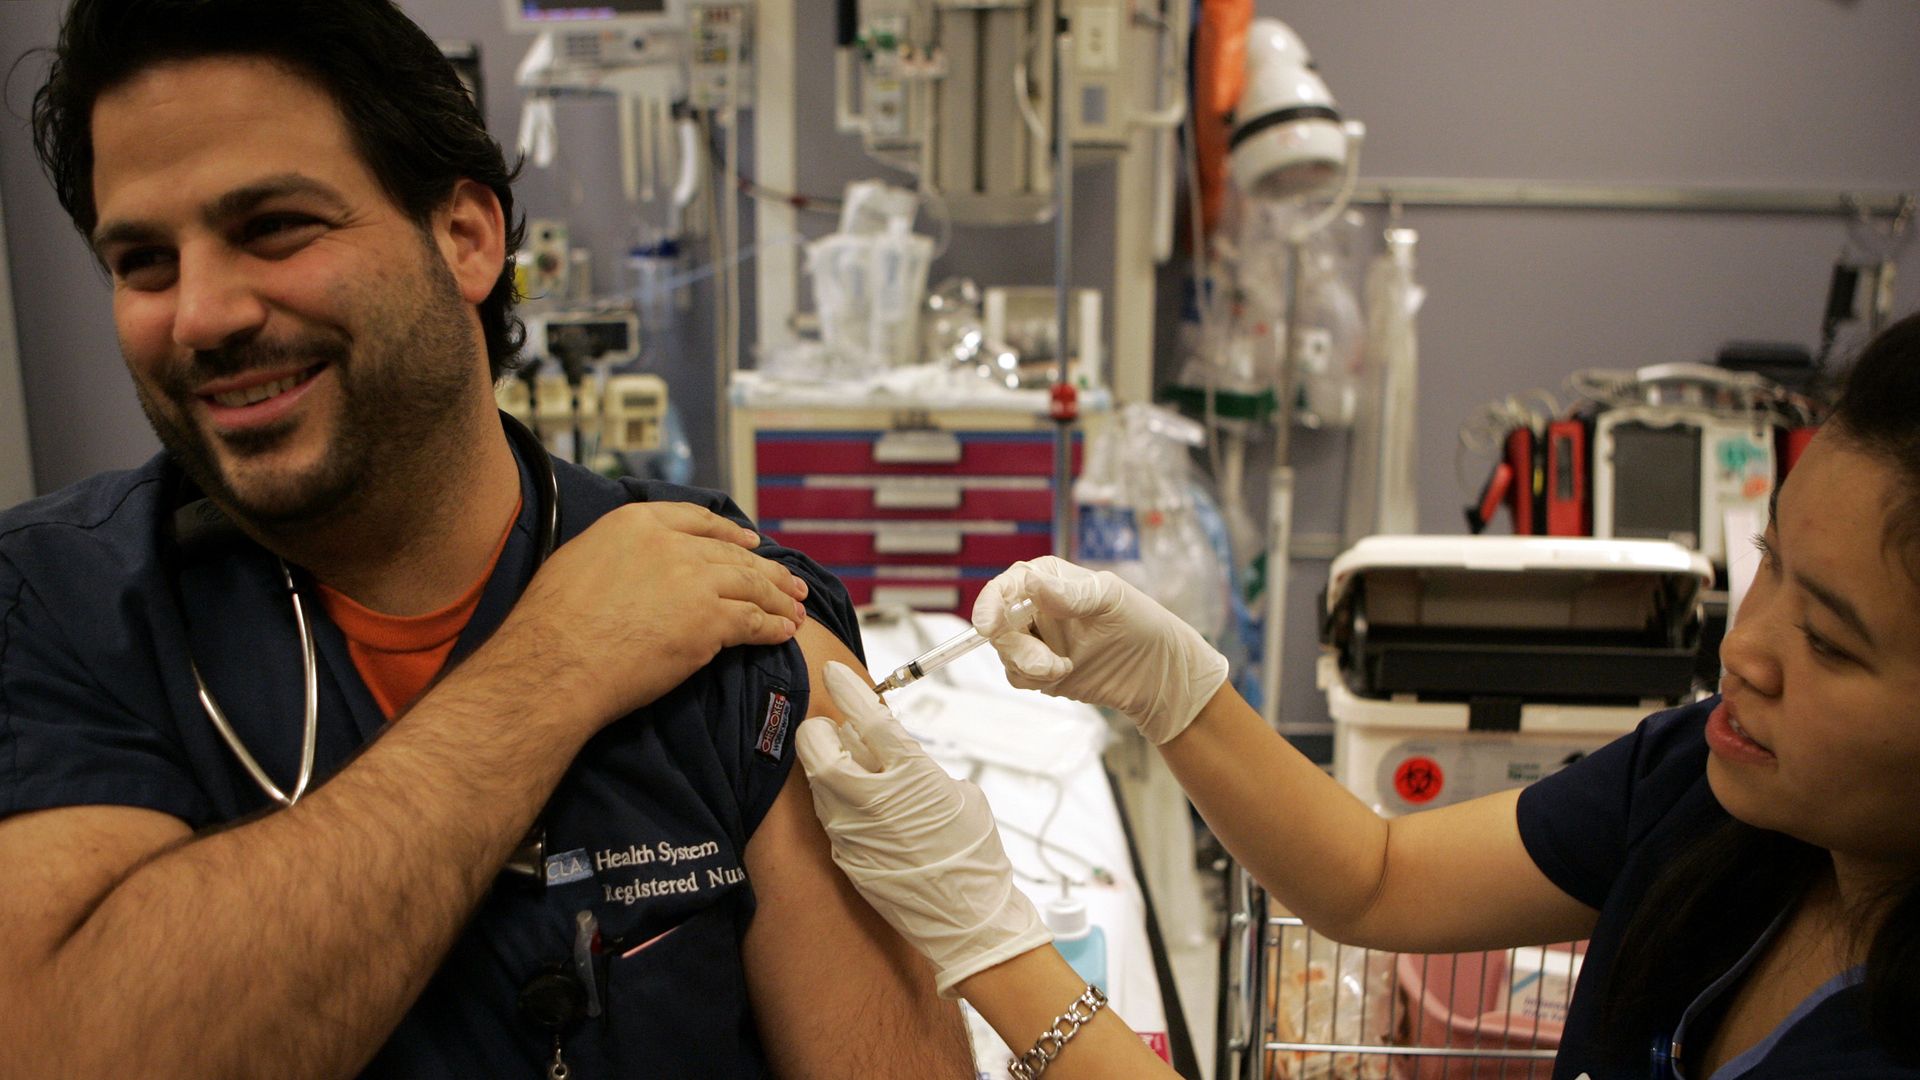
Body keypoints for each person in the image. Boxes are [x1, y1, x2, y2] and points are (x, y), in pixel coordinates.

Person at [0, 2, 973, 1076]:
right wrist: (554, 663)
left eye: (274, 226)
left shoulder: (729, 617)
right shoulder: (56, 611)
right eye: (143, 262)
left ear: (467, 237)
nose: (200, 314)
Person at [798, 313, 1920, 1078]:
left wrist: (991, 941)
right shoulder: (1710, 792)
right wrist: (1172, 687)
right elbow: (1377, 880)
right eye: (1766, 561)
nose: (1747, 651)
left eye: (1828, 640)